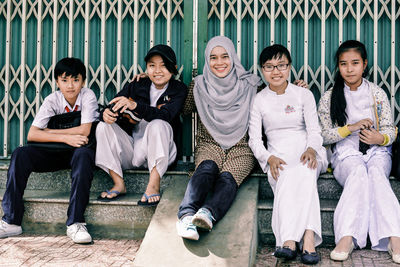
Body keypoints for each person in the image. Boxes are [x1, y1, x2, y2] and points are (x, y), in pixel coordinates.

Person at [318, 40, 400, 263]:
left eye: (355, 63)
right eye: (344, 64)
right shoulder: (329, 97)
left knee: (374, 173)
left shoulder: (377, 94)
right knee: (358, 174)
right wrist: (349, 129)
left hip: (377, 152)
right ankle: (347, 236)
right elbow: (323, 135)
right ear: (338, 67)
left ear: (364, 64)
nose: (349, 68)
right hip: (345, 154)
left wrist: (380, 138)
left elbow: (390, 130)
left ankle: (395, 238)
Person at [0, 57, 99, 244]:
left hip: (78, 154)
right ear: (56, 81)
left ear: (83, 81)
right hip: (54, 153)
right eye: (64, 80)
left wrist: (49, 132)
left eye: (76, 80)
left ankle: (75, 222)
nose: (70, 85)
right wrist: (65, 137)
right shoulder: (52, 100)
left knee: (84, 155)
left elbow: (85, 131)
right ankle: (11, 221)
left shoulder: (88, 96)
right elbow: (32, 135)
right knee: (20, 154)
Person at [175, 36, 262, 241]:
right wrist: (149, 81)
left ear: (233, 57)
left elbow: (274, 102)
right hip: (209, 142)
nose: (219, 62)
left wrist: (297, 88)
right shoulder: (199, 85)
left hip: (242, 145)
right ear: (207, 60)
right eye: (213, 57)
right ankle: (186, 216)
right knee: (206, 169)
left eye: (225, 56)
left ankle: (208, 213)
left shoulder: (251, 85)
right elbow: (184, 110)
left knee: (229, 178)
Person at [248, 44, 327, 265]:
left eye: (281, 65)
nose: (276, 71)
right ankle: (308, 239)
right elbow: (254, 139)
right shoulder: (259, 100)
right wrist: (268, 158)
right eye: (269, 66)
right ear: (262, 70)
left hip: (307, 150)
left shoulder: (303, 94)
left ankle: (289, 240)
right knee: (288, 173)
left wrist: (312, 148)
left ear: (289, 67)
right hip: (277, 156)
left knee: (304, 169)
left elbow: (314, 130)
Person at [95, 44, 187, 206]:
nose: (157, 71)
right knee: (102, 126)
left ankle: (153, 184)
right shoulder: (138, 84)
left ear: (174, 68)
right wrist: (106, 114)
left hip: (162, 151)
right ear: (146, 68)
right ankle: (118, 183)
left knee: (158, 124)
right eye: (152, 66)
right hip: (134, 150)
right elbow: (115, 103)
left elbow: (165, 115)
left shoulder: (178, 89)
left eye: (164, 66)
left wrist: (135, 106)